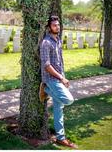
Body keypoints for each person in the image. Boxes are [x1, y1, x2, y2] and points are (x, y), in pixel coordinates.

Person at [39, 15, 78, 149]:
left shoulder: (58, 40)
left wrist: (63, 76)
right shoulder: (46, 43)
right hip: (51, 79)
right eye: (55, 25)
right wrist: (61, 78)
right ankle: (45, 89)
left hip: (60, 78)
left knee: (58, 109)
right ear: (49, 27)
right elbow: (46, 65)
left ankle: (61, 138)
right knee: (68, 99)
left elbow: (59, 61)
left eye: (58, 25)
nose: (57, 27)